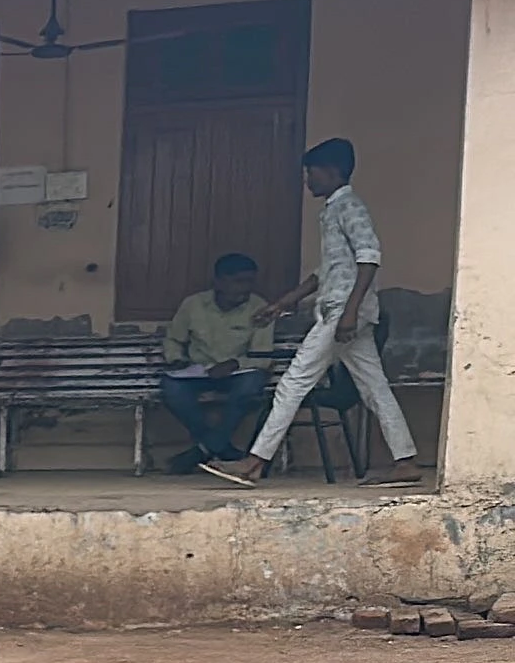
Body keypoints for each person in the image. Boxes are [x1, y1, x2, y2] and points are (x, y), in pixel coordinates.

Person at [208, 138, 425, 486]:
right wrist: (283, 303)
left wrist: (351, 312)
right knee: (375, 387)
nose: (307, 180)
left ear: (332, 171)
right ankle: (406, 461)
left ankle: (254, 462)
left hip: (342, 310)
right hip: (344, 308)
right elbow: (325, 272)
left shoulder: (349, 205)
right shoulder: (332, 210)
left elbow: (369, 257)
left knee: (294, 382)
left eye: (311, 172)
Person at [155, 251, 289, 472]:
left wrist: (236, 364)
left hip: (238, 374)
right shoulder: (193, 304)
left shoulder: (259, 307)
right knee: (172, 389)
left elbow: (262, 355)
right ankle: (222, 449)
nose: (245, 288)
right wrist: (176, 360)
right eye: (238, 281)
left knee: (250, 386)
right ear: (218, 281)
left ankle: (203, 450)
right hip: (199, 372)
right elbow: (173, 339)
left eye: (249, 282)